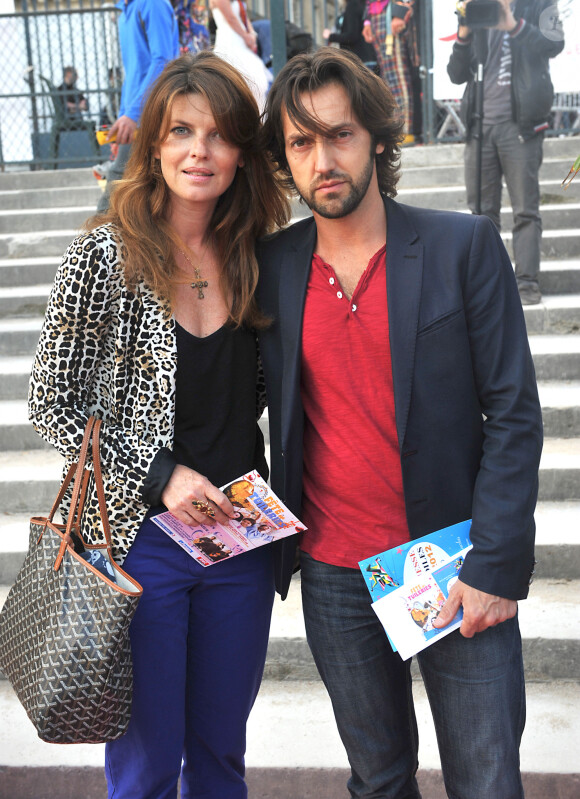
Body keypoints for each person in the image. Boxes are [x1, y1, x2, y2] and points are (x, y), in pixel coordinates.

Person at [257, 47, 543, 799]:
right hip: (334, 577)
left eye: (340, 134)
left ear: (378, 140)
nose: (323, 158)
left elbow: (514, 412)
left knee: (486, 781)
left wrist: (496, 564)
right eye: (300, 141)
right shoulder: (274, 268)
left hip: (453, 564)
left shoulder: (462, 246)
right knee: (378, 781)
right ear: (285, 159)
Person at [29, 51, 289, 799]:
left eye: (217, 134)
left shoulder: (253, 258)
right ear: (154, 145)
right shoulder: (105, 255)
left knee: (220, 756)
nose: (198, 151)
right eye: (180, 131)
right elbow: (52, 398)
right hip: (137, 543)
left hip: (238, 536)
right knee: (145, 764)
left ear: (242, 151)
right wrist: (160, 474)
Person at [447, 0, 565, 306]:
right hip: (480, 125)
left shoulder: (540, 4)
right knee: (481, 215)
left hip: (521, 126)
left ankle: (526, 282)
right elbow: (456, 74)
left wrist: (513, 25)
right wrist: (464, 31)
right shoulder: (478, 8)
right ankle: (488, 285)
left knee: (525, 209)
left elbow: (555, 43)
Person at [96, 0, 179, 213]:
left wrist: (133, 114)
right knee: (142, 189)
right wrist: (124, 118)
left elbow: (163, 61)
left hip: (152, 111)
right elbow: (131, 72)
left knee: (118, 181)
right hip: (137, 115)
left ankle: (91, 242)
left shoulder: (152, 3)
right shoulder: (126, 10)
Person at [363, 0, 421, 140]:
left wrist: (400, 13)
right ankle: (398, 128)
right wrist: (367, 22)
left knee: (398, 75)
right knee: (389, 78)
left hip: (392, 11)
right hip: (376, 14)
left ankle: (405, 129)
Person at [209, 0, 272, 112]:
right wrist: (246, 37)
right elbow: (231, 19)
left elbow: (244, 19)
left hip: (242, 40)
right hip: (229, 40)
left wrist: (251, 35)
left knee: (257, 80)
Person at [323, 0, 378, 72]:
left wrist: (330, 36)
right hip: (368, 59)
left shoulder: (353, 5)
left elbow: (352, 36)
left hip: (359, 61)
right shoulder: (362, 4)